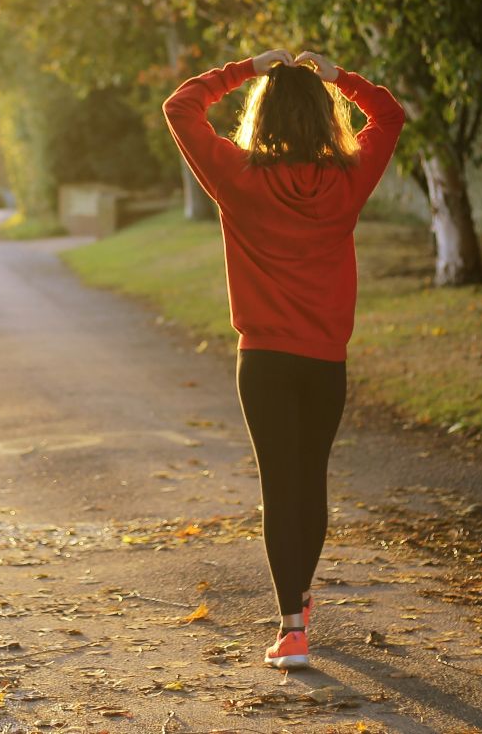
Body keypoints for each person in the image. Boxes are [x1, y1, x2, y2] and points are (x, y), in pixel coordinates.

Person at [162, 47, 405, 671]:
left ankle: (292, 626)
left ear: (262, 117)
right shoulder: (348, 179)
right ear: (325, 119)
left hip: (264, 360)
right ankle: (298, 598)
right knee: (310, 479)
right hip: (324, 360)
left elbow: (180, 107)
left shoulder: (237, 176)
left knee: (279, 484)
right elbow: (390, 115)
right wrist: (339, 78)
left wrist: (245, 68)